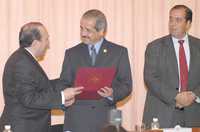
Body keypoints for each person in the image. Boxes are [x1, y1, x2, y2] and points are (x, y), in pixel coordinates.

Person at [0, 22, 83, 132]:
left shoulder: (24, 59)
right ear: (35, 43)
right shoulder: (22, 63)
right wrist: (62, 96)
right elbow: (30, 99)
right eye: (46, 40)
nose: (48, 45)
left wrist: (70, 81)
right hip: (22, 127)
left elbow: (42, 88)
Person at [60, 9, 132, 132]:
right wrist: (66, 96)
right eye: (81, 28)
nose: (83, 33)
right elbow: (64, 83)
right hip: (77, 119)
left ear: (101, 31)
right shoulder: (71, 53)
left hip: (108, 119)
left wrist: (112, 93)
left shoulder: (119, 52)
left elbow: (126, 85)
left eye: (88, 30)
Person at [143, 5, 200, 128]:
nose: (172, 24)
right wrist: (176, 96)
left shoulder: (198, 46)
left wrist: (194, 95)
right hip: (162, 113)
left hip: (194, 114)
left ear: (188, 23)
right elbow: (150, 78)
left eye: (178, 20)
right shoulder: (155, 47)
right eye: (171, 19)